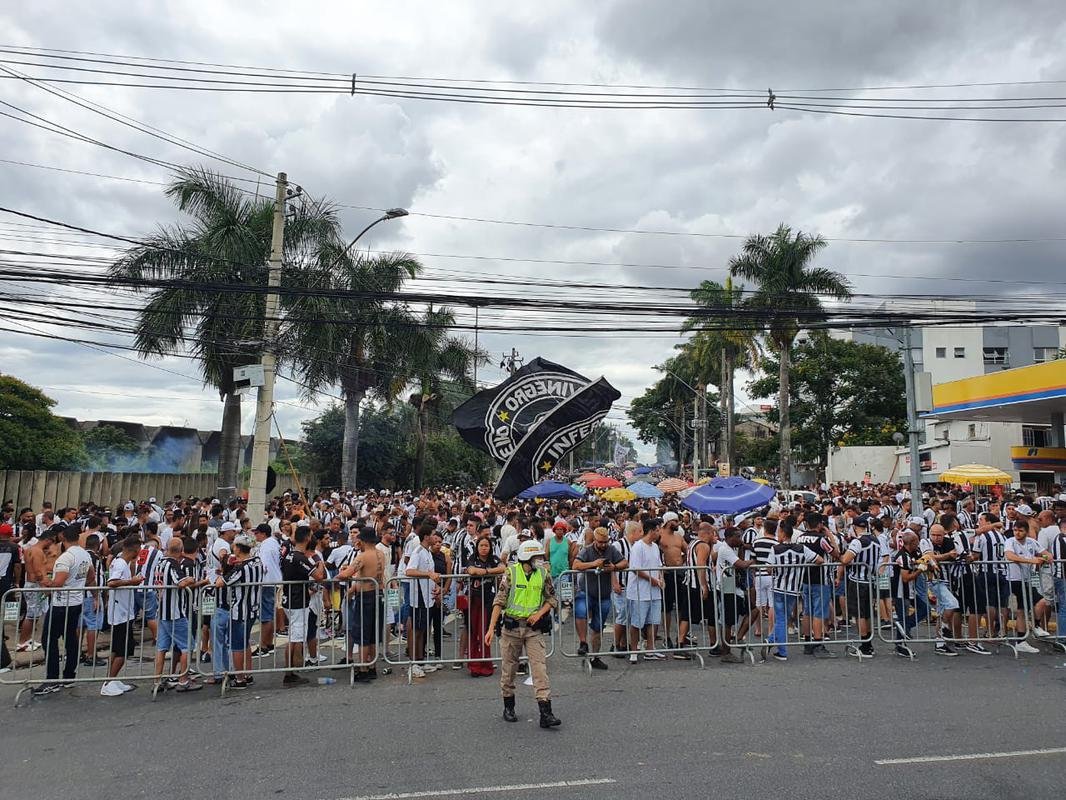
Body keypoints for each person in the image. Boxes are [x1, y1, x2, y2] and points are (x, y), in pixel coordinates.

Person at [484, 539, 560, 728]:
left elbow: (552, 599)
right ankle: (508, 706)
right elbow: (499, 601)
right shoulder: (511, 573)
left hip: (533, 629)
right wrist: (491, 629)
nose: (540, 561)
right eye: (537, 557)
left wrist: (539, 614)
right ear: (527, 557)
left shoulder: (543, 574)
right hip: (511, 629)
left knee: (540, 669)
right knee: (509, 670)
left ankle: (546, 712)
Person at [35, 525, 95, 695]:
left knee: (49, 640)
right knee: (70, 639)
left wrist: (45, 582)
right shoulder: (85, 554)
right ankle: (69, 675)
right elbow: (91, 576)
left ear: (62, 538)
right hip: (76, 602)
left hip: (61, 604)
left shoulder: (65, 558)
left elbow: (59, 582)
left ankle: (52, 679)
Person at [572, 527, 625, 669]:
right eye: (600, 542)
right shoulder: (587, 550)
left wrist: (614, 567)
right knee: (580, 611)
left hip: (604, 595)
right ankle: (583, 643)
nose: (603, 544)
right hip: (586, 591)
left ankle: (595, 657)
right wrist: (594, 564)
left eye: (605, 542)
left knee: (598, 626)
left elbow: (624, 563)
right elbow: (575, 565)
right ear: (595, 540)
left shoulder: (612, 549)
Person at [281, 525, 326, 687]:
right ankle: (291, 671)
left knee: (293, 636)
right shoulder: (300, 558)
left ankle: (290, 671)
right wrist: (320, 563)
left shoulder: (288, 556)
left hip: (289, 599)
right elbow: (319, 576)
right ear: (307, 538)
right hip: (297, 601)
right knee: (297, 637)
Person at [337, 527, 384, 681]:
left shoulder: (362, 556)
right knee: (372, 635)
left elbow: (345, 575)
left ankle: (363, 669)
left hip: (365, 597)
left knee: (363, 634)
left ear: (363, 540)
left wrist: (338, 575)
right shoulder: (381, 554)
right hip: (378, 594)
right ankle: (372, 667)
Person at [101, 534, 143, 696]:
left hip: (123, 611)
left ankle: (112, 678)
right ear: (135, 550)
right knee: (124, 649)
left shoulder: (123, 562)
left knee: (118, 647)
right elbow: (112, 582)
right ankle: (108, 682)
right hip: (120, 613)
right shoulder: (119, 564)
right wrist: (131, 582)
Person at [1002, 517, 1047, 654]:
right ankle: (1018, 638)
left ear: (1026, 532)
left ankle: (1032, 629)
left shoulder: (1032, 542)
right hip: (1012, 579)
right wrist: (1030, 561)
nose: (1017, 533)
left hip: (1025, 580)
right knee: (1012, 608)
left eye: (1020, 531)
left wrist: (1044, 558)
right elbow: (1010, 556)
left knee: (1035, 604)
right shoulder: (1010, 541)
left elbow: (1046, 554)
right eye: (1015, 530)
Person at [626, 518, 664, 664]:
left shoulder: (655, 547)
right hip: (639, 592)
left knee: (653, 621)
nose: (659, 532)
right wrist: (653, 580)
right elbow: (636, 569)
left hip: (654, 591)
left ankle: (650, 648)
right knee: (637, 622)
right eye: (657, 530)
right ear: (651, 531)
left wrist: (661, 579)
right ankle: (634, 650)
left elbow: (659, 566)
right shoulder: (638, 547)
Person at [466, 535, 505, 677]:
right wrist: (481, 571)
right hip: (474, 600)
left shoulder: (494, 559)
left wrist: (487, 571)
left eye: (486, 546)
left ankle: (485, 664)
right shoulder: (472, 558)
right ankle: (474, 665)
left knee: (485, 631)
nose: (484, 548)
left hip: (489, 600)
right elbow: (471, 571)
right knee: (474, 632)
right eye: (481, 545)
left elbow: (503, 568)